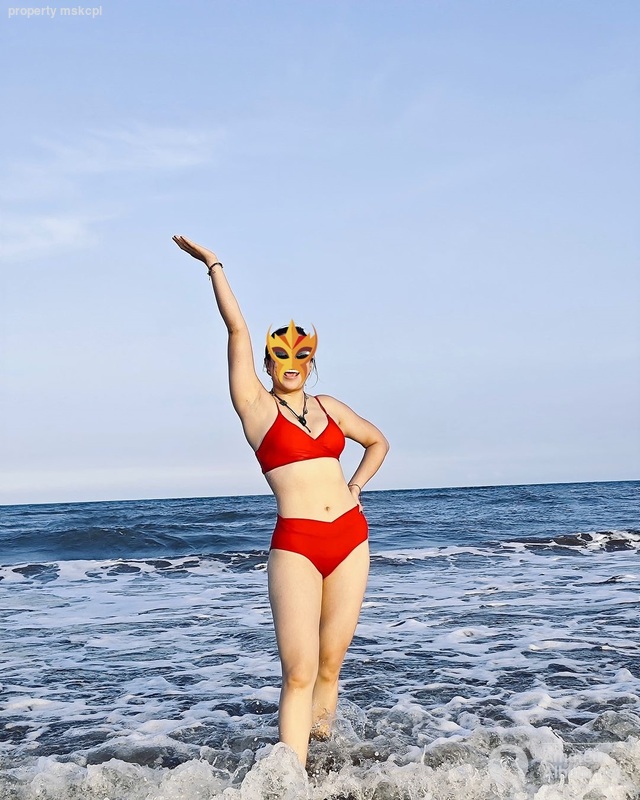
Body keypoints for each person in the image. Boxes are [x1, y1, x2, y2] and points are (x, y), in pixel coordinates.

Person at [173, 235, 389, 766]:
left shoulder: (329, 406)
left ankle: (323, 762)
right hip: (297, 545)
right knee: (298, 671)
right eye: (279, 355)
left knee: (330, 665)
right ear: (268, 364)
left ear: (310, 363)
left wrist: (355, 487)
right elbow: (237, 330)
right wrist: (213, 265)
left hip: (351, 538)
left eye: (300, 355)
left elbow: (378, 442)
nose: (290, 362)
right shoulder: (256, 408)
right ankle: (288, 781)